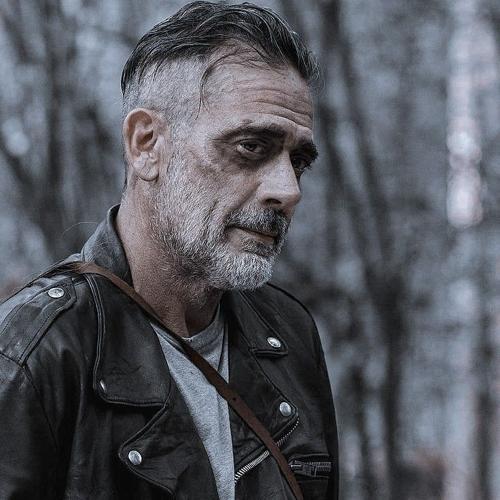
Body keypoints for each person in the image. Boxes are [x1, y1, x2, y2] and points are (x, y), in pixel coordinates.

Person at [0, 2, 338, 499]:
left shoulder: (289, 335)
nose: (288, 190)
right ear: (146, 145)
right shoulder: (32, 356)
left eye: (298, 161)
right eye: (250, 147)